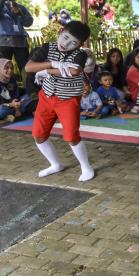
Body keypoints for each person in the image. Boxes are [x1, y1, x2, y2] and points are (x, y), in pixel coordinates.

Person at [25, 21, 94, 182]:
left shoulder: (80, 54)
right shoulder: (47, 48)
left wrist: (45, 70)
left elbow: (74, 70)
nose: (66, 44)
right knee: (39, 135)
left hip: (68, 99)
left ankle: (86, 166)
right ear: (61, 31)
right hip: (46, 96)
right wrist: (52, 63)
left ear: (80, 45)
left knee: (71, 136)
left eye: (73, 42)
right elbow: (28, 67)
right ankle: (55, 164)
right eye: (65, 37)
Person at [0, 0, 33, 71]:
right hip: (4, 42)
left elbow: (29, 22)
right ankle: (5, 82)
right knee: (3, 67)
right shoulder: (1, 7)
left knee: (25, 67)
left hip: (20, 42)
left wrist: (20, 13)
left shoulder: (20, 7)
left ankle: (26, 82)